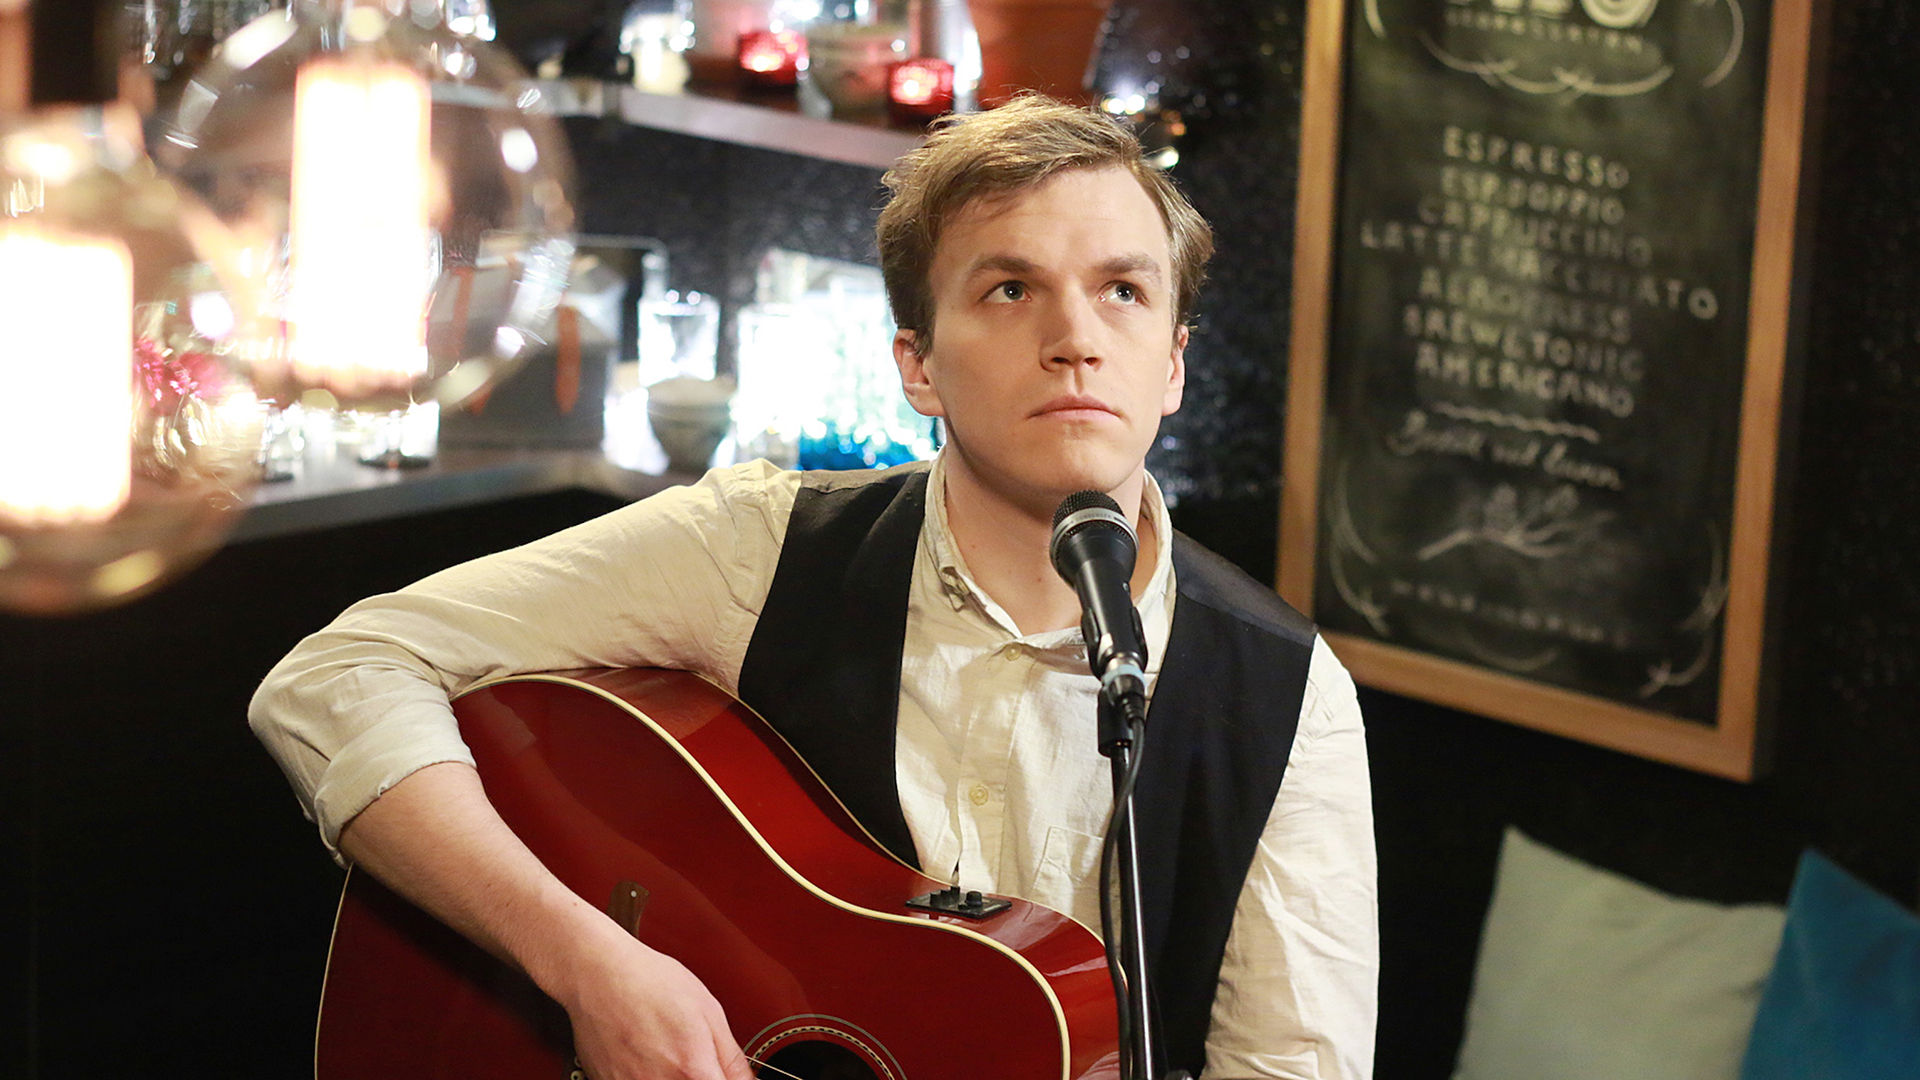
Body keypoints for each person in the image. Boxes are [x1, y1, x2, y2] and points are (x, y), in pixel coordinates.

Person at [250, 94, 1377, 1080]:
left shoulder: (1283, 695)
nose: (1075, 338)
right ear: (917, 364)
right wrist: (587, 964)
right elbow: (340, 674)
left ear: (1173, 362)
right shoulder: (757, 548)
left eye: (1123, 290)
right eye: (1010, 289)